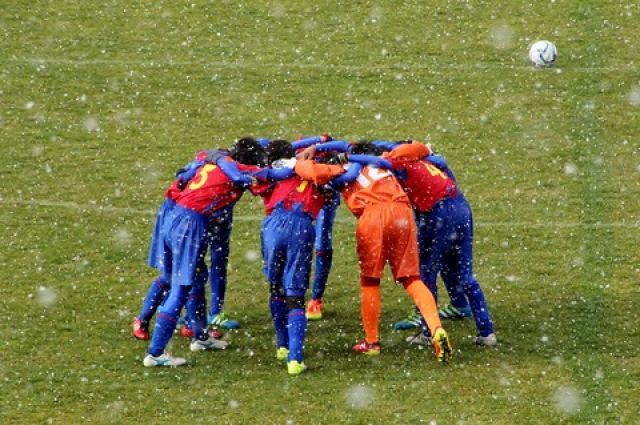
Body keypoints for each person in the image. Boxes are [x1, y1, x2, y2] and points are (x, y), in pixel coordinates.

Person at [295, 143, 453, 362]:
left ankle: (372, 342)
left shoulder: (344, 169)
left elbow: (310, 171)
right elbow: (421, 149)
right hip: (403, 214)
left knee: (370, 281)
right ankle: (436, 330)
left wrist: (300, 161)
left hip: (373, 215)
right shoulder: (385, 161)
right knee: (412, 279)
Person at [142, 138, 265, 367]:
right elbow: (254, 177)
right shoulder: (233, 170)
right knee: (181, 288)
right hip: (190, 224)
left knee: (196, 278)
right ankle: (156, 353)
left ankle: (200, 337)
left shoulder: (214, 161)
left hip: (174, 217)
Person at [382, 142, 496, 346]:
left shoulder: (400, 167)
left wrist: (350, 156)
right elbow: (440, 162)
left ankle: (428, 332)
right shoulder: (429, 161)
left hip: (438, 215)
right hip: (461, 208)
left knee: (426, 274)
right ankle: (487, 332)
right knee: (466, 276)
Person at [253, 140, 344, 375]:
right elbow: (338, 183)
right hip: (301, 227)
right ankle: (295, 358)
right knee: (295, 296)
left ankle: (282, 345)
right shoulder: (322, 177)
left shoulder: (278, 174)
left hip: (272, 224)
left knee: (276, 288)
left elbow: (256, 186)